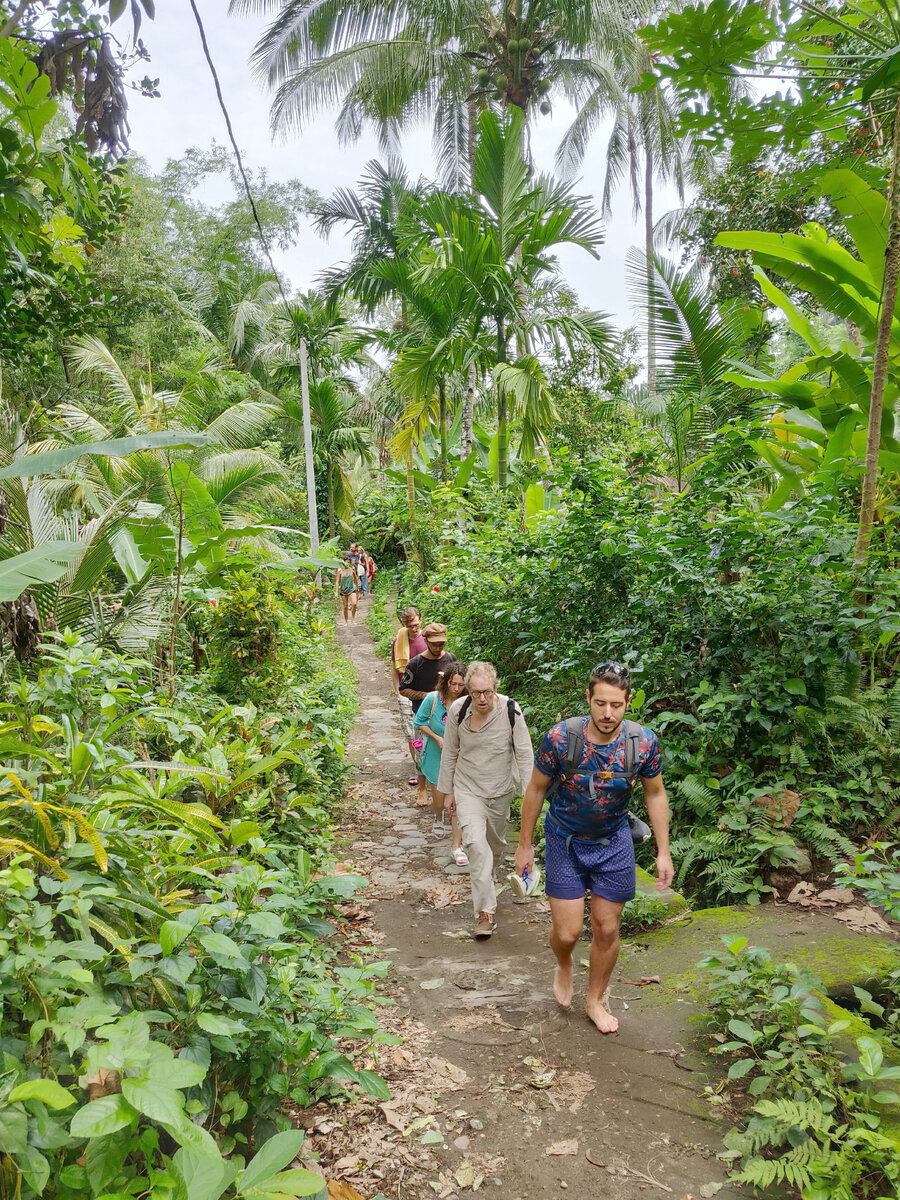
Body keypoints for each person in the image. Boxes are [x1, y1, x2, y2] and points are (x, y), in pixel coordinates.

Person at [514, 661, 673, 1034]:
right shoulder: (560, 738)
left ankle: (594, 999)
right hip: (565, 840)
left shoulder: (642, 742)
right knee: (567, 933)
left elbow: (656, 794)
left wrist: (663, 851)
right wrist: (525, 846)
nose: (607, 713)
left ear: (629, 702)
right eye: (600, 703)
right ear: (587, 697)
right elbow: (536, 789)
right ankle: (564, 962)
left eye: (616, 705)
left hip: (614, 841)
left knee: (605, 929)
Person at [437, 661, 534, 939]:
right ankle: (485, 913)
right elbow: (451, 753)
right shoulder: (458, 711)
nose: (482, 699)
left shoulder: (511, 710)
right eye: (476, 692)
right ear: (468, 690)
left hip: (500, 789)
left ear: (496, 688)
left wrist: (529, 795)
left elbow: (525, 755)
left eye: (487, 692)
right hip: (468, 788)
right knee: (476, 847)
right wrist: (448, 792)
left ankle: (488, 879)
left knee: (495, 845)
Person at [413, 662, 469, 867]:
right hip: (437, 755)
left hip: (460, 757)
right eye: (453, 684)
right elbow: (419, 723)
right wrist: (437, 738)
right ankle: (438, 817)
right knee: (439, 800)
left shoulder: (468, 702)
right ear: (446, 682)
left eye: (460, 684)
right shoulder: (433, 699)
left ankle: (457, 845)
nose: (456, 688)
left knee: (458, 801)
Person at [399, 623, 456, 807]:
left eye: (442, 643)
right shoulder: (416, 663)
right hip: (423, 717)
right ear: (426, 641)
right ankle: (422, 788)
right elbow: (403, 689)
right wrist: (428, 697)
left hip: (447, 716)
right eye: (435, 644)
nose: (439, 648)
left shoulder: (450, 659)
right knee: (422, 754)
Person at [392, 607, 427, 791]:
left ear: (420, 619)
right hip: (406, 691)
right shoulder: (399, 641)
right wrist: (397, 691)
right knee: (410, 730)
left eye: (416, 625)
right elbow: (394, 667)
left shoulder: (427, 640)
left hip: (426, 693)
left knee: (427, 728)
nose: (414, 629)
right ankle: (417, 767)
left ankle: (427, 767)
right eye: (410, 626)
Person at [334, 555, 359, 625]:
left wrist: (357, 587)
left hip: (351, 588)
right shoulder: (340, 570)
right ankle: (346, 621)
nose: (347, 564)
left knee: (354, 603)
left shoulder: (352, 569)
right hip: (343, 589)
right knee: (345, 606)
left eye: (348, 563)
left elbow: (356, 578)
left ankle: (353, 619)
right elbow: (337, 581)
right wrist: (336, 592)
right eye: (346, 562)